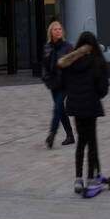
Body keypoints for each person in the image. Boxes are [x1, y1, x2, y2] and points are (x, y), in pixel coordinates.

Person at [57, 32, 109, 195]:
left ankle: (78, 179)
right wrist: (96, 95)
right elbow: (103, 87)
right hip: (91, 106)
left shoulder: (71, 60)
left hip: (76, 106)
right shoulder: (97, 60)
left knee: (80, 142)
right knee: (92, 142)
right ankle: (91, 179)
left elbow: (64, 82)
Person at [41, 20, 74, 148]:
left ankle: (52, 135)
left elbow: (73, 64)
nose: (58, 31)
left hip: (64, 83)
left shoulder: (68, 46)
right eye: (55, 29)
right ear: (51, 32)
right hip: (53, 83)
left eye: (60, 29)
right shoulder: (47, 47)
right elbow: (44, 66)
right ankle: (70, 135)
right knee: (60, 110)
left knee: (56, 107)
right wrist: (47, 80)